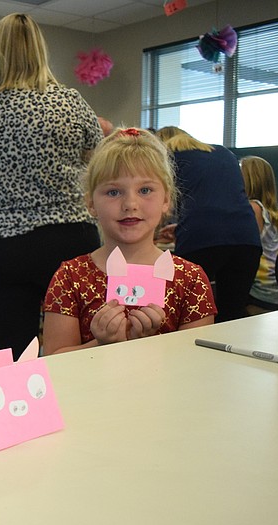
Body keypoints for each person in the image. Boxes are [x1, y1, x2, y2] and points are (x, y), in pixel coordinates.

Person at [0, 13, 103, 359]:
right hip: (66, 240)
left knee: (12, 359)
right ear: (41, 53)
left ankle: (18, 412)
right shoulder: (70, 101)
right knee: (81, 350)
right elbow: (96, 159)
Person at [42, 127, 216, 355]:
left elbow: (199, 363)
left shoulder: (191, 280)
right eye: (113, 192)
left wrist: (148, 343)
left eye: (145, 190)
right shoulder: (69, 277)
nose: (130, 204)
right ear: (91, 204)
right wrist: (101, 343)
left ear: (166, 199)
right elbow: (53, 360)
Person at [155, 126, 261, 322]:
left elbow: (159, 202)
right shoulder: (224, 153)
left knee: (183, 310)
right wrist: (181, 228)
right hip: (247, 239)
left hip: (201, 239)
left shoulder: (167, 159)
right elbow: (222, 202)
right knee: (233, 313)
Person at [240, 156, 278, 314]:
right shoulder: (271, 211)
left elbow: (245, 246)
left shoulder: (254, 208)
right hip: (275, 288)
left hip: (261, 291)